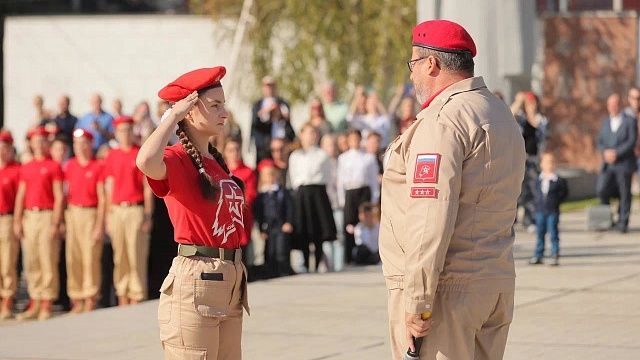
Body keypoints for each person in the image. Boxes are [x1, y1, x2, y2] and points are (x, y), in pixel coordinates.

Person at [380, 20, 525, 359]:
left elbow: (430, 217)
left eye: (412, 65)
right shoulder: (498, 112)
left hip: (447, 290)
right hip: (493, 280)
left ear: (430, 64)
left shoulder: (444, 120)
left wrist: (417, 300)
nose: (412, 76)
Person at [137, 66, 249, 358]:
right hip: (197, 279)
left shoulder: (214, 161)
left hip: (231, 279)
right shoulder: (177, 159)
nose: (224, 113)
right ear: (189, 111)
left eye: (223, 105)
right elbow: (146, 160)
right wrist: (171, 117)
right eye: (214, 106)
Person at [13, 127, 65, 321]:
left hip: (46, 215)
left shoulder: (53, 166)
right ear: (31, 143)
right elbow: (21, 195)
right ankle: (34, 300)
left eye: (43, 140)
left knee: (47, 258)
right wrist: (18, 220)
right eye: (36, 141)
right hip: (29, 216)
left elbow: (59, 196)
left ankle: (46, 302)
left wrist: (55, 222)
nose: (39, 144)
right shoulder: (26, 167)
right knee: (31, 260)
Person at [104, 115, 154, 305]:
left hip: (135, 209)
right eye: (121, 130)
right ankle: (122, 293)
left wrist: (148, 215)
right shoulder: (112, 155)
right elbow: (108, 186)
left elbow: (146, 187)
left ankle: (137, 293)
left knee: (136, 253)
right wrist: (108, 214)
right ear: (116, 133)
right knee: (120, 254)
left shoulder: (139, 153)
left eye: (128, 130)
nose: (124, 134)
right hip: (117, 210)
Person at [64, 129, 106, 312]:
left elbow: (103, 198)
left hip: (90, 213)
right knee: (73, 257)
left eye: (83, 143)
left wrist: (99, 225)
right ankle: (76, 296)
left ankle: (90, 296)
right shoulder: (70, 165)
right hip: (73, 213)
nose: (79, 147)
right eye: (76, 143)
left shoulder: (97, 166)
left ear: (90, 145)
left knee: (90, 257)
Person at [288, 124, 337, 272]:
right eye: (308, 133)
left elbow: (328, 176)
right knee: (304, 228)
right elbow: (293, 176)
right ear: (301, 135)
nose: (311, 136)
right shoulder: (295, 156)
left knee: (318, 229)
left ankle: (317, 264)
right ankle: (304, 262)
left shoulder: (322, 155)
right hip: (302, 194)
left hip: (318, 193)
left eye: (313, 133)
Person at [337, 129, 379, 264]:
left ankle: (368, 253)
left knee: (366, 223)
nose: (354, 141)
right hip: (350, 192)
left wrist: (374, 199)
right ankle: (349, 257)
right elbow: (340, 180)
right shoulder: (343, 158)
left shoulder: (368, 157)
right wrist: (342, 199)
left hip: (364, 191)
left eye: (357, 138)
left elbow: (373, 180)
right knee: (350, 225)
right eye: (351, 139)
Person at [597, 93, 637, 233]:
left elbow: (631, 141)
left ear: (620, 105)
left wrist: (616, 153)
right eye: (610, 104)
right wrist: (605, 152)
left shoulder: (630, 121)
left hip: (624, 163)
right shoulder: (605, 122)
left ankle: (623, 222)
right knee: (602, 190)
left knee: (624, 193)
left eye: (615, 104)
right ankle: (607, 220)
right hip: (608, 164)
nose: (613, 107)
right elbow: (600, 141)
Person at [511, 91, 549, 231]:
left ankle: (529, 220)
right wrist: (519, 101)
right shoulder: (519, 118)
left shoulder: (541, 119)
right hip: (519, 159)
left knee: (532, 190)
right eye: (528, 103)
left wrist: (531, 112)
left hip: (533, 160)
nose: (530, 106)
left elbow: (542, 135)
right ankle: (511, 220)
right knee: (516, 190)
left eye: (532, 103)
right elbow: (509, 114)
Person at [254, 164, 295, 277]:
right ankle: (271, 272)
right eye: (267, 175)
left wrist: (289, 222)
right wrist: (261, 229)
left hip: (281, 225)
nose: (270, 177)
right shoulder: (262, 195)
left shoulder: (282, 192)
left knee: (281, 248)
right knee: (270, 249)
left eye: (272, 174)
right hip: (268, 227)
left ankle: (284, 270)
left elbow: (289, 207)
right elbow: (259, 214)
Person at [530, 152, 568, 266]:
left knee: (553, 233)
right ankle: (538, 254)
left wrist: (556, 202)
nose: (549, 165)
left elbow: (564, 193)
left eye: (551, 162)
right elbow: (534, 193)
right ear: (541, 164)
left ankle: (554, 254)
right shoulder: (538, 180)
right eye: (546, 162)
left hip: (552, 211)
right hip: (540, 211)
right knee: (540, 233)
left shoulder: (558, 181)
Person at [223, 139, 258, 264]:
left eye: (237, 150)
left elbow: (251, 194)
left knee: (242, 252)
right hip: (223, 217)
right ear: (225, 153)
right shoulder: (220, 170)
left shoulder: (248, 172)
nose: (234, 153)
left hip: (242, 216)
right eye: (230, 150)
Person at [251, 76, 294, 163]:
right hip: (265, 146)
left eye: (272, 85)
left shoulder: (283, 103)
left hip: (282, 145)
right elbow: (255, 123)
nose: (269, 88)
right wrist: (267, 111)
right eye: (267, 85)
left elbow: (287, 120)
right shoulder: (258, 104)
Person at [0, 130, 20, 320]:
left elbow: (20, 198)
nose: (2, 152)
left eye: (5, 148)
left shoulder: (16, 170)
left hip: (6, 219)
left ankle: (7, 298)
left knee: (7, 262)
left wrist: (17, 220)